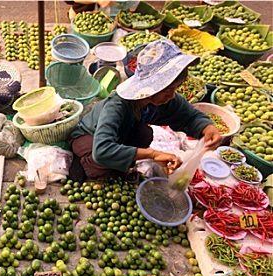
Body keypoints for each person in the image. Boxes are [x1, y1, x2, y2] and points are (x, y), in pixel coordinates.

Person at [68, 40, 222, 182]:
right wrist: (153, 154)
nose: (172, 95)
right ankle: (83, 161)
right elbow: (102, 150)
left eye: (176, 88)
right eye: (168, 89)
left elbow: (190, 116)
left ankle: (118, 156)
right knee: (104, 166)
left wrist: (206, 127)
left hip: (121, 132)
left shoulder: (165, 100)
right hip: (88, 136)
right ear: (151, 88)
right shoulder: (117, 105)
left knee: (144, 134)